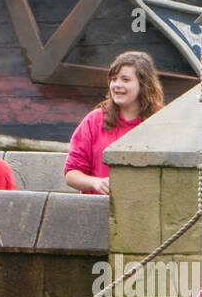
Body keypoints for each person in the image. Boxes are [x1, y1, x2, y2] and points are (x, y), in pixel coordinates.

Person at [64, 50, 163, 195]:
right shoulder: (94, 120)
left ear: (143, 84)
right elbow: (71, 174)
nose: (116, 85)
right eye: (114, 79)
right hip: (98, 210)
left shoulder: (161, 121)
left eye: (125, 79)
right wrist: (95, 182)